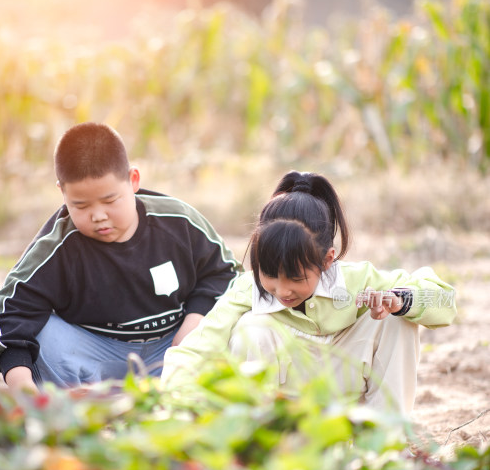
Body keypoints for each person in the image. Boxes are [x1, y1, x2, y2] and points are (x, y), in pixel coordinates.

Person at [161, 171, 457, 417]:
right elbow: (196, 350)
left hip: (346, 397)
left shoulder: (357, 281)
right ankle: (264, 440)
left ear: (327, 260)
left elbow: (445, 301)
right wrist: (168, 406)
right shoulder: (247, 290)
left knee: (395, 319)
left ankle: (386, 442)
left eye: (296, 278)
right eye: (269, 275)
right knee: (250, 328)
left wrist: (401, 301)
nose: (282, 290)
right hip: (284, 408)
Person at [0, 122, 240, 391]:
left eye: (110, 201)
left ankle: (172, 391)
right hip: (95, 362)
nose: (98, 215)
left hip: (174, 350)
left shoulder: (177, 222)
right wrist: (23, 387)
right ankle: (83, 402)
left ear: (133, 180)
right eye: (80, 205)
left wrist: (195, 322)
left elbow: (225, 273)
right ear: (62, 191)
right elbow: (10, 312)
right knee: (41, 332)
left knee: (239, 322)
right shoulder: (57, 246)